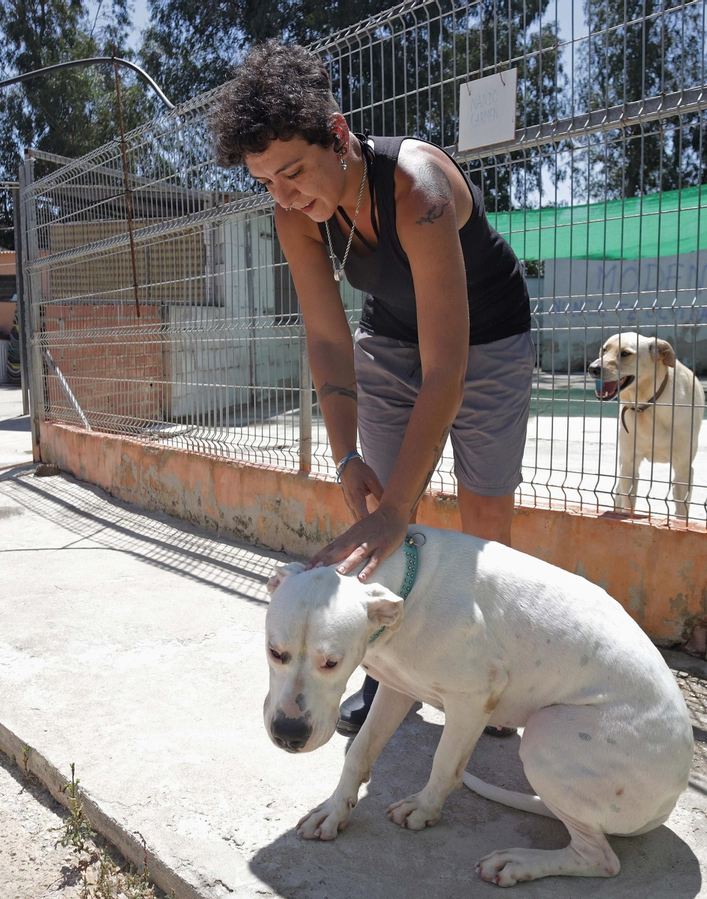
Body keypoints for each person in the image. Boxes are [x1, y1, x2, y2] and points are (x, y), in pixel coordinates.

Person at [212, 43, 531, 736]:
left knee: (484, 522)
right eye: (266, 181)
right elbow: (327, 339)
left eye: (293, 171)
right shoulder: (293, 212)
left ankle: (487, 680)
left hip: (488, 335)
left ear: (337, 132)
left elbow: (448, 369)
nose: (287, 194)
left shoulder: (415, 188)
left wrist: (400, 506)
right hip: (389, 335)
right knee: (373, 527)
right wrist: (346, 457)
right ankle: (391, 679)